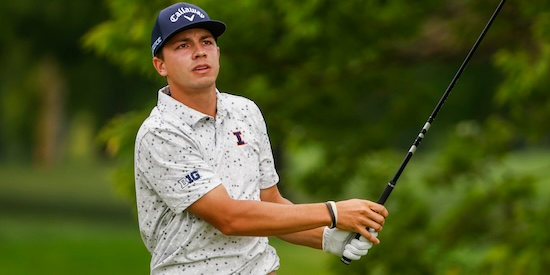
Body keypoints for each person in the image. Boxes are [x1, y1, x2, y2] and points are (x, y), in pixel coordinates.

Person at [134, 2, 389, 274]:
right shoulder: (160, 132)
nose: (199, 52)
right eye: (183, 45)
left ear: (217, 52)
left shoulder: (245, 111)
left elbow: (270, 204)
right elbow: (229, 217)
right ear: (160, 65)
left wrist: (325, 237)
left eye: (206, 42)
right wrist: (333, 213)